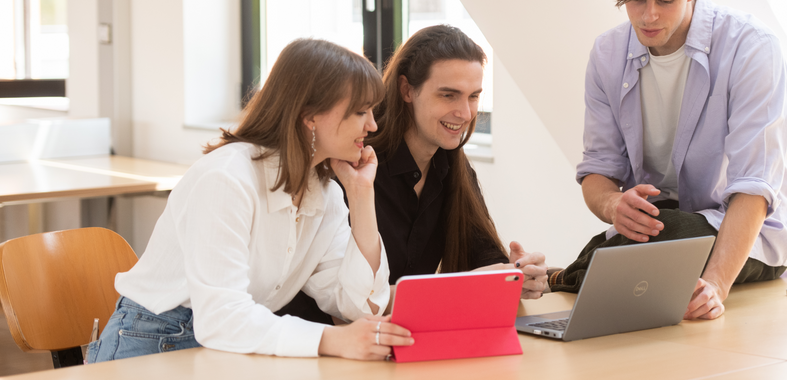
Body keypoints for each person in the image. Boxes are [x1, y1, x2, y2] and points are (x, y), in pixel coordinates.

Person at [88, 39, 413, 363]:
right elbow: (220, 318)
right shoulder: (227, 178)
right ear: (310, 115)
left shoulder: (323, 191)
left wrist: (361, 196)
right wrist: (331, 339)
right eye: (360, 112)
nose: (372, 125)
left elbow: (359, 304)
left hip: (232, 345)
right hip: (154, 341)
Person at [550, 0, 787, 320]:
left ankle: (563, 276)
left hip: (744, 233)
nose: (649, 16)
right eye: (636, 0)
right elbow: (598, 171)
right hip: (665, 220)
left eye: (666, 0)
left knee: (672, 233)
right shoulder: (607, 53)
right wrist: (615, 204)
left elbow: (754, 186)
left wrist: (716, 286)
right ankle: (575, 273)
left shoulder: (751, 47)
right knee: (659, 229)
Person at [278, 25, 548, 322]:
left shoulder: (452, 168)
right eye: (449, 95)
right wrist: (468, 285)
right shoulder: (353, 164)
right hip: (318, 340)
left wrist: (515, 273)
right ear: (407, 90)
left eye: (473, 96)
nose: (466, 113)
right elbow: (358, 301)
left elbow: (483, 259)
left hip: (394, 341)